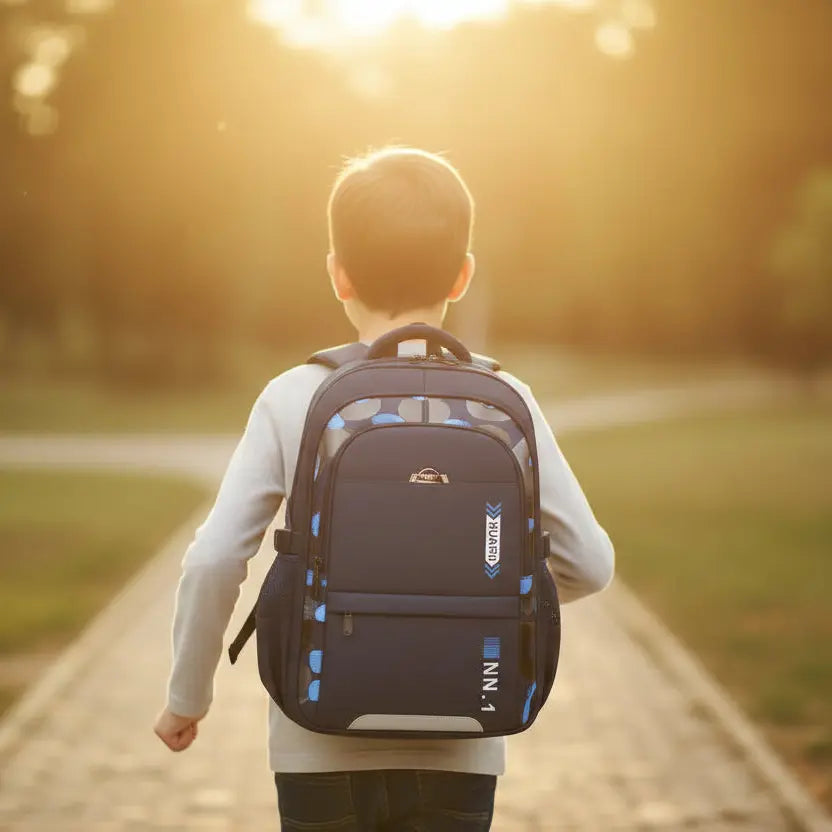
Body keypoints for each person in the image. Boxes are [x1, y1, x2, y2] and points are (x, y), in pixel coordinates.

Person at [154, 147, 615, 831]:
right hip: (465, 732)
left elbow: (215, 558)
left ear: (337, 274)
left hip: (317, 738)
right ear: (462, 275)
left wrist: (187, 696)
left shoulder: (292, 396)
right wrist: (481, 603)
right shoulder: (505, 399)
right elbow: (590, 564)